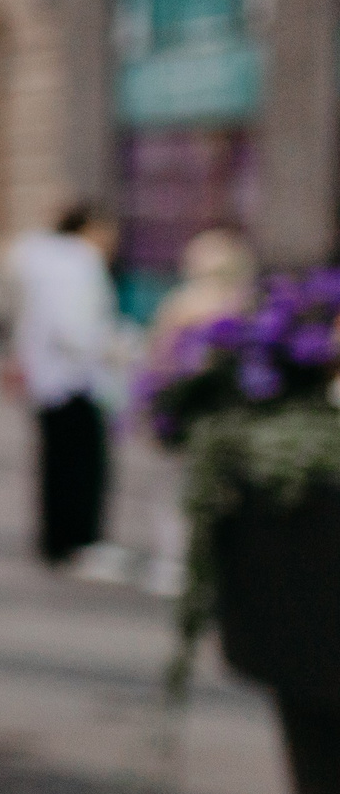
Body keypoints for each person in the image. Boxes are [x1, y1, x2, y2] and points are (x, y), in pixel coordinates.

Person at [6, 205, 124, 573]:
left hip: (51, 379)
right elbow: (74, 326)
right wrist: (108, 348)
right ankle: (77, 542)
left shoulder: (45, 263)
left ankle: (58, 542)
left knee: (56, 464)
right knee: (80, 466)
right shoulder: (78, 263)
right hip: (75, 380)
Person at [140, 227, 257, 596]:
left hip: (185, 409)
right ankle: (202, 563)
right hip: (217, 412)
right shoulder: (242, 304)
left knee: (174, 489)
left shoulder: (185, 301)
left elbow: (158, 357)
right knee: (213, 489)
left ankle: (175, 562)